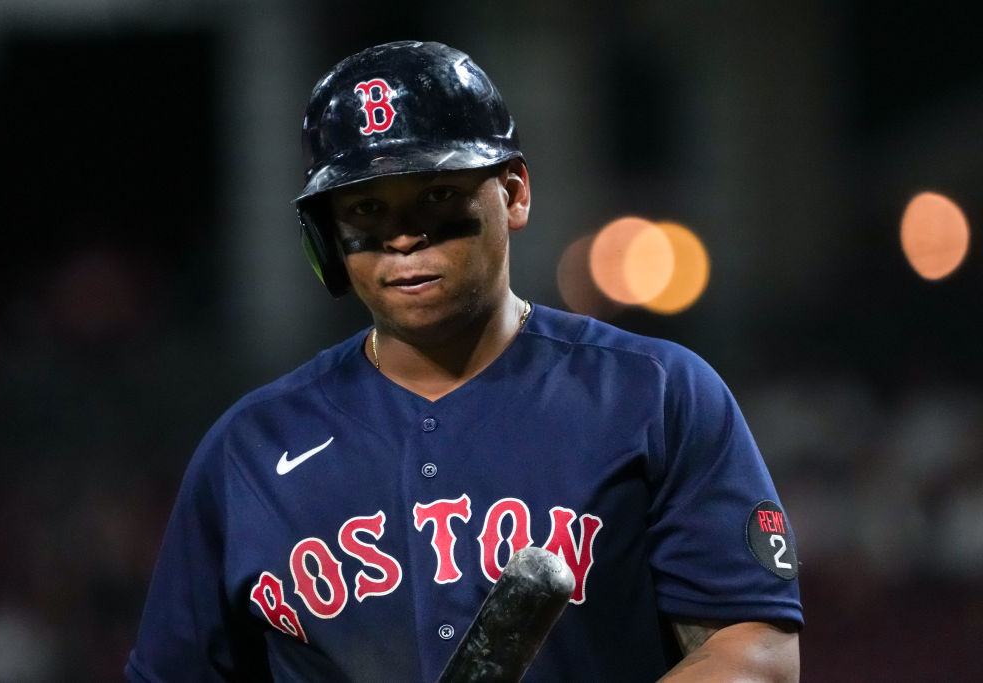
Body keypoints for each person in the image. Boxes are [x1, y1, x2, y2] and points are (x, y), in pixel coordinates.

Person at [126, 40, 802, 682]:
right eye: (365, 207)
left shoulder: (655, 394)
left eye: (436, 194)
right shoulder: (250, 449)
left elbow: (755, 650)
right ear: (325, 239)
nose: (402, 234)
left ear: (513, 194)